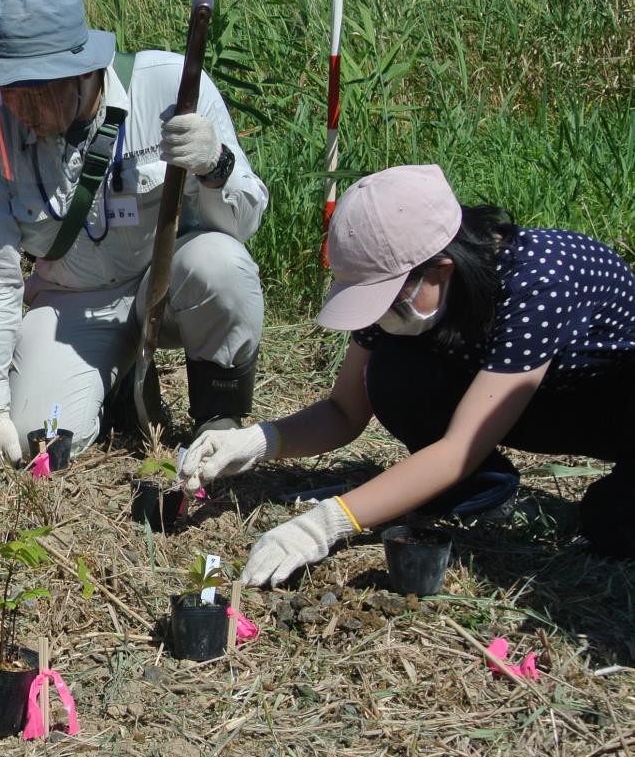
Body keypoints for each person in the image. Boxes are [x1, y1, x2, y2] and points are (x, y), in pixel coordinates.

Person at [177, 164, 635, 585]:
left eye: (389, 300)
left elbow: (458, 448)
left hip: (602, 405)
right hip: (511, 394)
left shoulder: (540, 279)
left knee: (610, 524)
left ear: (442, 268)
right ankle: (482, 495)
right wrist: (258, 441)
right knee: (393, 371)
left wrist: (326, 524)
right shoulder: (414, 297)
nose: (379, 317)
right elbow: (343, 411)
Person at [0, 0, 267, 465]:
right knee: (37, 439)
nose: (19, 106)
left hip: (168, 286)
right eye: (6, 87)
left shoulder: (170, 85)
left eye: (34, 90)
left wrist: (215, 164)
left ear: (84, 71)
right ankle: (117, 381)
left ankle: (218, 416)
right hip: (71, 302)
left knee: (221, 264)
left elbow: (242, 226)